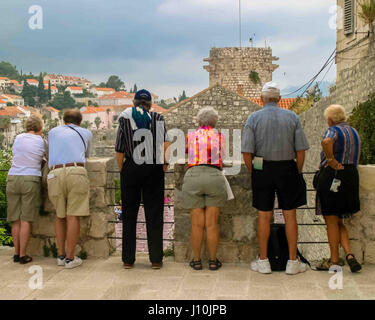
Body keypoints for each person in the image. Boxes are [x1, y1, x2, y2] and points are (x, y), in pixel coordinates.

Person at [241, 82, 310, 275]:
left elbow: (247, 152)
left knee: (263, 215)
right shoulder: (292, 117)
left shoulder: (253, 118)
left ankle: (263, 261)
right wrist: (296, 171)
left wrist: (253, 172)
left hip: (262, 168)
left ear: (262, 99)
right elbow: (301, 150)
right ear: (279, 99)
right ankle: (292, 262)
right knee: (290, 215)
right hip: (288, 167)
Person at [115, 89, 170, 269]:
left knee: (129, 214)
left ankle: (128, 260)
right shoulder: (158, 119)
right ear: (150, 104)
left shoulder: (125, 119)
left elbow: (120, 148)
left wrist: (123, 169)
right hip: (153, 166)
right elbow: (165, 143)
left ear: (134, 103)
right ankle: (155, 259)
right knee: (154, 213)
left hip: (132, 167)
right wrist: (164, 163)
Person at [315, 105, 362, 273]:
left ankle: (334, 261)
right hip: (351, 177)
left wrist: (330, 159)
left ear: (330, 120)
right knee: (339, 219)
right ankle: (349, 254)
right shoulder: (354, 132)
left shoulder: (333, 130)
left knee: (331, 220)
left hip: (333, 176)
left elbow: (327, 141)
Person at [181, 107, 228, 271]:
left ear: (199, 121)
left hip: (194, 175)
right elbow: (223, 156)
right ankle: (213, 261)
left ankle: (196, 260)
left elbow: (187, 151)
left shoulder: (190, 136)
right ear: (214, 122)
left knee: (196, 224)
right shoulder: (220, 137)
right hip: (214, 176)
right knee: (212, 224)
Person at [47, 109, 92, 269]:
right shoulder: (85, 133)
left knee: (60, 216)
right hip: (75, 172)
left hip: (54, 173)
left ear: (63, 120)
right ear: (79, 122)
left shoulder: (52, 132)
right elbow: (86, 155)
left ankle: (60, 255)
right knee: (73, 216)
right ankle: (70, 258)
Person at [6, 115, 45, 264]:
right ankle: (23, 255)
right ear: (40, 128)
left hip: (13, 177)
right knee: (26, 219)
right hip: (30, 178)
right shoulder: (41, 141)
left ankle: (16, 253)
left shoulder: (18, 138)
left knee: (15, 219)